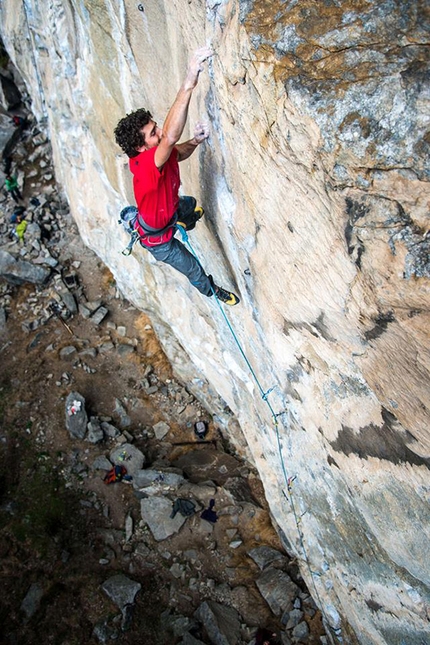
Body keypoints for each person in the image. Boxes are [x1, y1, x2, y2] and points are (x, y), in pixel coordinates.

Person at [114, 47, 240, 306]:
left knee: (191, 204)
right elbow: (171, 138)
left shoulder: (160, 155)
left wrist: (196, 140)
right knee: (192, 268)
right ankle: (213, 291)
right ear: (140, 148)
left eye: (155, 126)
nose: (159, 132)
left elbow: (179, 152)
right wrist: (188, 83)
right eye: (152, 133)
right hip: (157, 239)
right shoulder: (146, 165)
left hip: (168, 212)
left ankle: (188, 218)